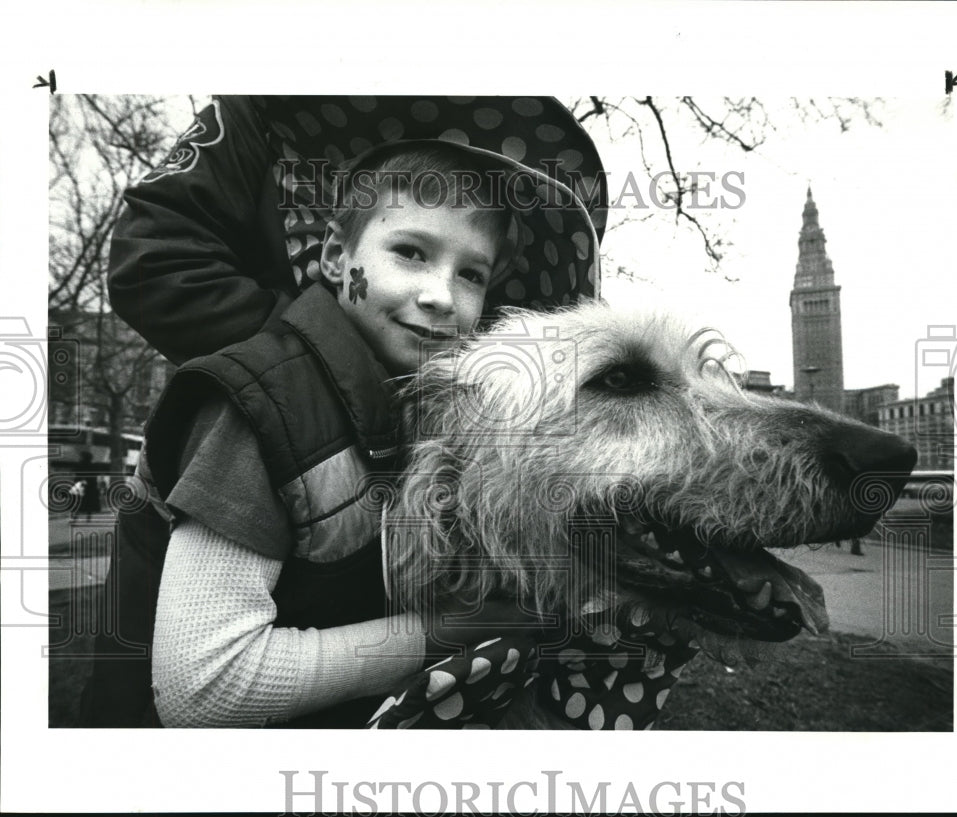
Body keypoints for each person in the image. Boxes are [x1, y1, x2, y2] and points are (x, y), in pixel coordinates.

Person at [81, 96, 608, 728]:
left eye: (471, 274)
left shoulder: (416, 416)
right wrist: (440, 635)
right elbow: (205, 689)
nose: (440, 295)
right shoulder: (264, 407)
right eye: (410, 252)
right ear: (335, 258)